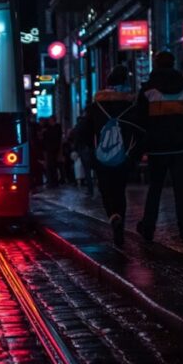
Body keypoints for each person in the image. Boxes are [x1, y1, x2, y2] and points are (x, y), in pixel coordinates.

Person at [136, 51, 183, 244]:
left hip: (157, 149)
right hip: (182, 147)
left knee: (155, 188)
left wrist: (141, 147)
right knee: (181, 189)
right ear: (174, 64)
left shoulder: (148, 90)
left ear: (156, 65)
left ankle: (148, 228)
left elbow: (140, 122)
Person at [77, 65, 144, 246]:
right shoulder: (130, 105)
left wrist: (89, 150)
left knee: (106, 190)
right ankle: (119, 219)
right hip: (124, 157)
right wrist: (134, 155)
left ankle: (113, 216)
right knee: (120, 190)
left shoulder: (97, 106)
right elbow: (140, 132)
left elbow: (82, 131)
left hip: (101, 157)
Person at [42, 119, 62, 188]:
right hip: (50, 149)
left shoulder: (54, 129)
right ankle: (52, 182)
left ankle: (53, 182)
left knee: (52, 166)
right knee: (51, 166)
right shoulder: (50, 128)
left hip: (52, 150)